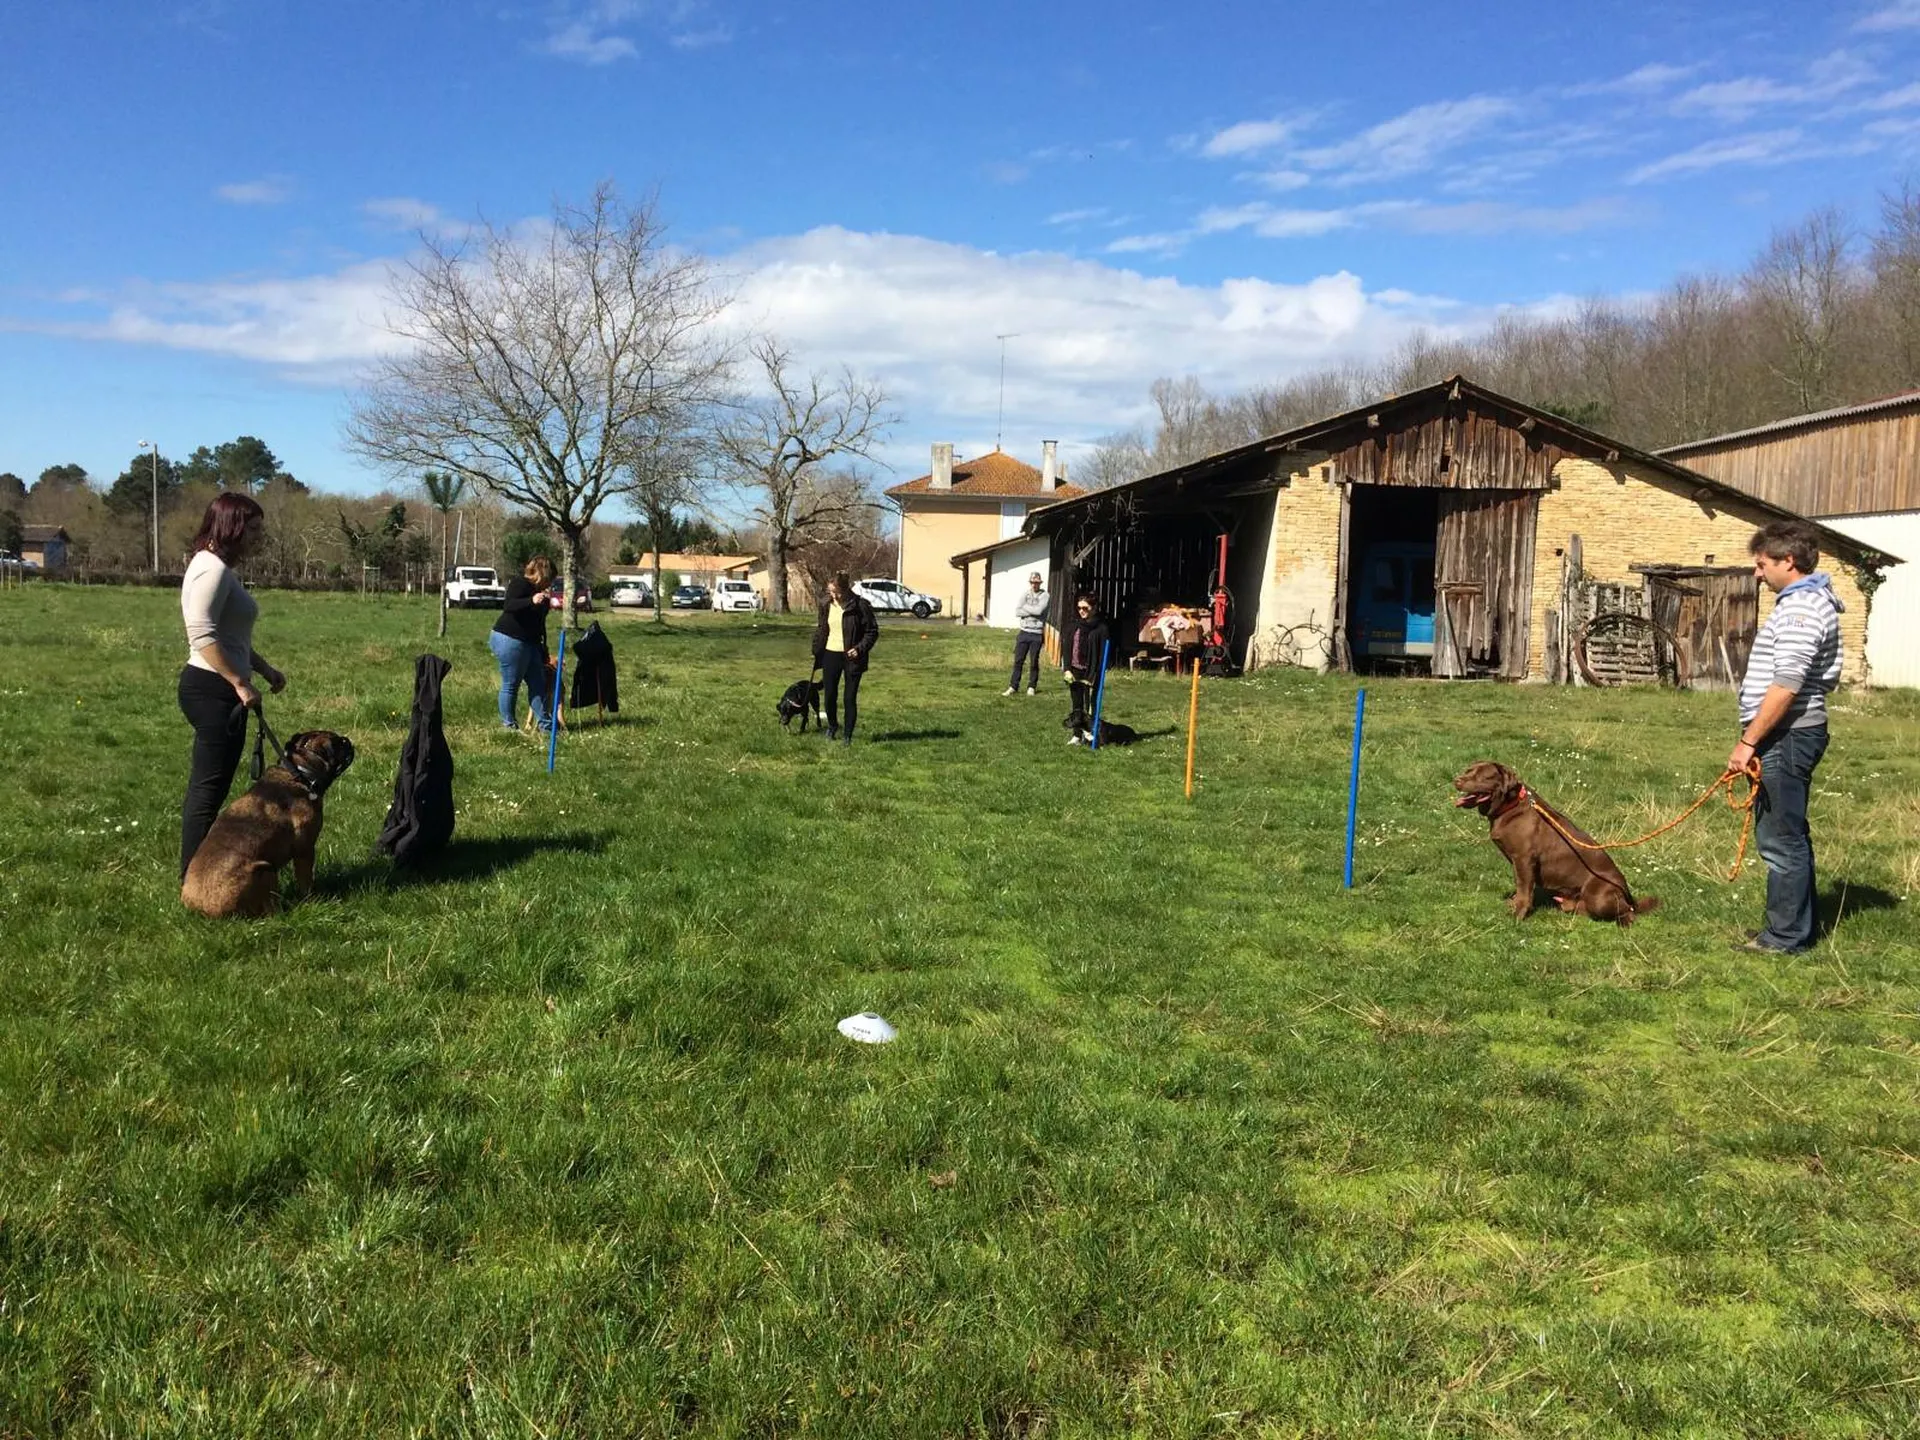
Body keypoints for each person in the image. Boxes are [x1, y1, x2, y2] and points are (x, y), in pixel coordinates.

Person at [1725, 520, 1844, 955]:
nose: (1757, 574)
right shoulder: (1803, 603)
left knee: (1780, 839)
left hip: (1787, 735)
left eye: (1761, 565)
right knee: (1787, 832)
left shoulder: (1800, 610)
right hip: (1788, 733)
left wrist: (1749, 741)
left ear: (1787, 561)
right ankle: (1795, 928)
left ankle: (1785, 937)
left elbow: (1788, 682)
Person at [178, 491, 286, 877]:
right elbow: (202, 635)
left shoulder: (214, 565)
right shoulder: (213, 569)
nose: (258, 537)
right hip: (212, 689)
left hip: (216, 684)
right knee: (207, 792)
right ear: (232, 527)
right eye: (253, 529)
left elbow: (229, 636)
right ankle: (194, 879)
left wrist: (264, 669)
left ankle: (201, 872)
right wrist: (239, 682)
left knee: (213, 787)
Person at [491, 555, 558, 734]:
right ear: (542, 574)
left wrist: (543, 649)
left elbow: (539, 623)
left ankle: (546, 725)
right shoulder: (520, 584)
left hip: (531, 642)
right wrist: (531, 601)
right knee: (511, 683)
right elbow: (509, 606)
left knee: (538, 682)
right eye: (550, 578)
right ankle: (509, 726)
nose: (550, 583)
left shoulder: (543, 595)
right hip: (509, 638)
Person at [811, 572, 878, 746]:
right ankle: (832, 726)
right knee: (829, 695)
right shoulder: (826, 605)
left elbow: (872, 631)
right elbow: (821, 628)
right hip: (830, 654)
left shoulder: (860, 606)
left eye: (837, 592)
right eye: (831, 592)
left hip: (852, 656)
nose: (834, 596)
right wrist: (816, 649)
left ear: (846, 589)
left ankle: (847, 736)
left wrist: (859, 649)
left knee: (849, 698)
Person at [1061, 593, 1109, 745]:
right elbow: (1067, 648)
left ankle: (1091, 735)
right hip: (1074, 670)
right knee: (1077, 705)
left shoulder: (1101, 629)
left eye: (1085, 608)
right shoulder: (1074, 626)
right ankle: (1077, 735)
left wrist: (1095, 675)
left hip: (1090, 673)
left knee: (1089, 705)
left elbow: (1102, 654)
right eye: (1079, 608)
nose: (1081, 611)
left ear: (1093, 608)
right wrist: (1067, 668)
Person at [1004, 571, 1048, 695]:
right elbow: (1017, 611)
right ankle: (1013, 686)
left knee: (1034, 660)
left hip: (1037, 633)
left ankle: (1031, 686)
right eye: (1032, 582)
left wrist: (1026, 608)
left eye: (1037, 582)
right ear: (1030, 583)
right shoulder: (1025, 594)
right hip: (1024, 631)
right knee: (1018, 660)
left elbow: (1039, 611)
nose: (1034, 585)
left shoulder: (1045, 595)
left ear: (1040, 583)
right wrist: (1031, 610)